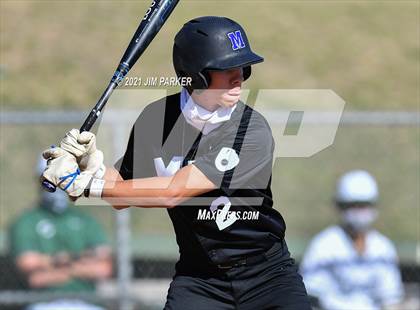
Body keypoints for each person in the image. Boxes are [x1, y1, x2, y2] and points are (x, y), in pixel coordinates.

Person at [41, 16, 311, 309]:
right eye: (227, 68)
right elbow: (121, 191)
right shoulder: (157, 120)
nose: (239, 77)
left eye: (243, 68)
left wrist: (88, 187)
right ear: (196, 75)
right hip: (200, 280)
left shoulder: (250, 130)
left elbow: (174, 191)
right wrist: (90, 166)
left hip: (267, 276)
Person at [8, 158, 113, 310]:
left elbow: (103, 268)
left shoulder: (85, 220)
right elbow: (32, 272)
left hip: (87, 303)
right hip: (45, 304)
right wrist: (80, 259)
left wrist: (59, 265)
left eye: (61, 178)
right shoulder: (27, 221)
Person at [300, 170, 404, 310]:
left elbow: (391, 298)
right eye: (353, 205)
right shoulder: (323, 245)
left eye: (364, 205)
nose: (359, 212)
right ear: (341, 207)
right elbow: (312, 295)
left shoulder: (383, 247)